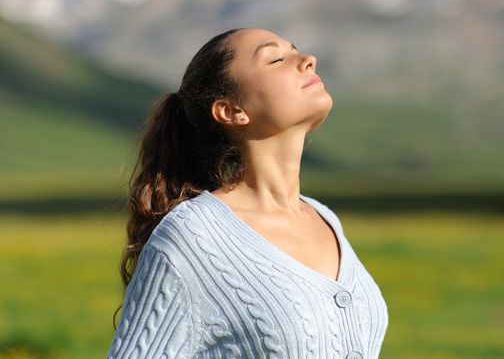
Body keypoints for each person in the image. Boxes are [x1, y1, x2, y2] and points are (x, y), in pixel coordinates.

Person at [107, 28, 389, 358]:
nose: (307, 60)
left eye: (297, 50)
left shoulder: (324, 218)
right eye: (276, 58)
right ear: (231, 111)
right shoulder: (193, 236)